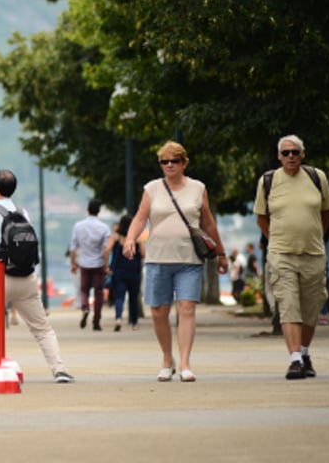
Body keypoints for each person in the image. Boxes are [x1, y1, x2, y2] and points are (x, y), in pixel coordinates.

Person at [124, 141, 227, 382]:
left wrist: (221, 254)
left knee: (186, 309)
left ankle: (185, 364)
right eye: (164, 161)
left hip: (189, 259)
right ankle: (167, 359)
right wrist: (130, 238)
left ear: (184, 162)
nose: (169, 165)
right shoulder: (152, 189)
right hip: (158, 258)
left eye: (175, 161)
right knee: (159, 312)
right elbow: (140, 218)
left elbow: (209, 223)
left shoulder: (198, 188)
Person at [0, 169, 74, 383]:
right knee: (41, 328)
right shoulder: (23, 213)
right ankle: (59, 370)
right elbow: (4, 223)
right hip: (26, 278)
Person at [253, 135, 329, 380]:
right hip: (281, 255)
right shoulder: (268, 181)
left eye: (295, 152)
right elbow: (261, 218)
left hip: (313, 253)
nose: (290, 156)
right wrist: (275, 239)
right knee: (289, 306)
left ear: (303, 154)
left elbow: (327, 213)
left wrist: (315, 235)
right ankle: (295, 360)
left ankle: (305, 354)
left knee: (310, 309)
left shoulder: (317, 177)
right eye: (286, 153)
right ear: (279, 156)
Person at [69, 198, 111, 331]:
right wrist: (105, 265)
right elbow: (106, 249)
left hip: (84, 263)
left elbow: (73, 247)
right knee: (99, 292)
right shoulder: (104, 227)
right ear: (99, 211)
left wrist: (73, 264)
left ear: (88, 210)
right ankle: (96, 320)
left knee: (84, 290)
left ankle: (85, 307)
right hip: (98, 263)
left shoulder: (78, 225)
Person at [102, 214, 143, 331]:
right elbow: (144, 254)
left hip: (119, 271)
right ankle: (134, 323)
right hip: (134, 271)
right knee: (133, 298)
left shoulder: (116, 237)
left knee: (119, 297)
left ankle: (118, 319)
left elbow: (107, 250)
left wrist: (106, 266)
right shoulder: (137, 238)